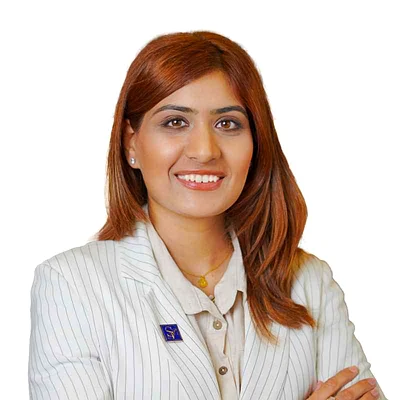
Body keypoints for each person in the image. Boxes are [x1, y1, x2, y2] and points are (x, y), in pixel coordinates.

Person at [28, 30, 387, 400]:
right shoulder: (72, 284)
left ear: (256, 142)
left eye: (227, 123)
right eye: (175, 122)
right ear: (131, 142)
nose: (204, 151)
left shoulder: (309, 281)